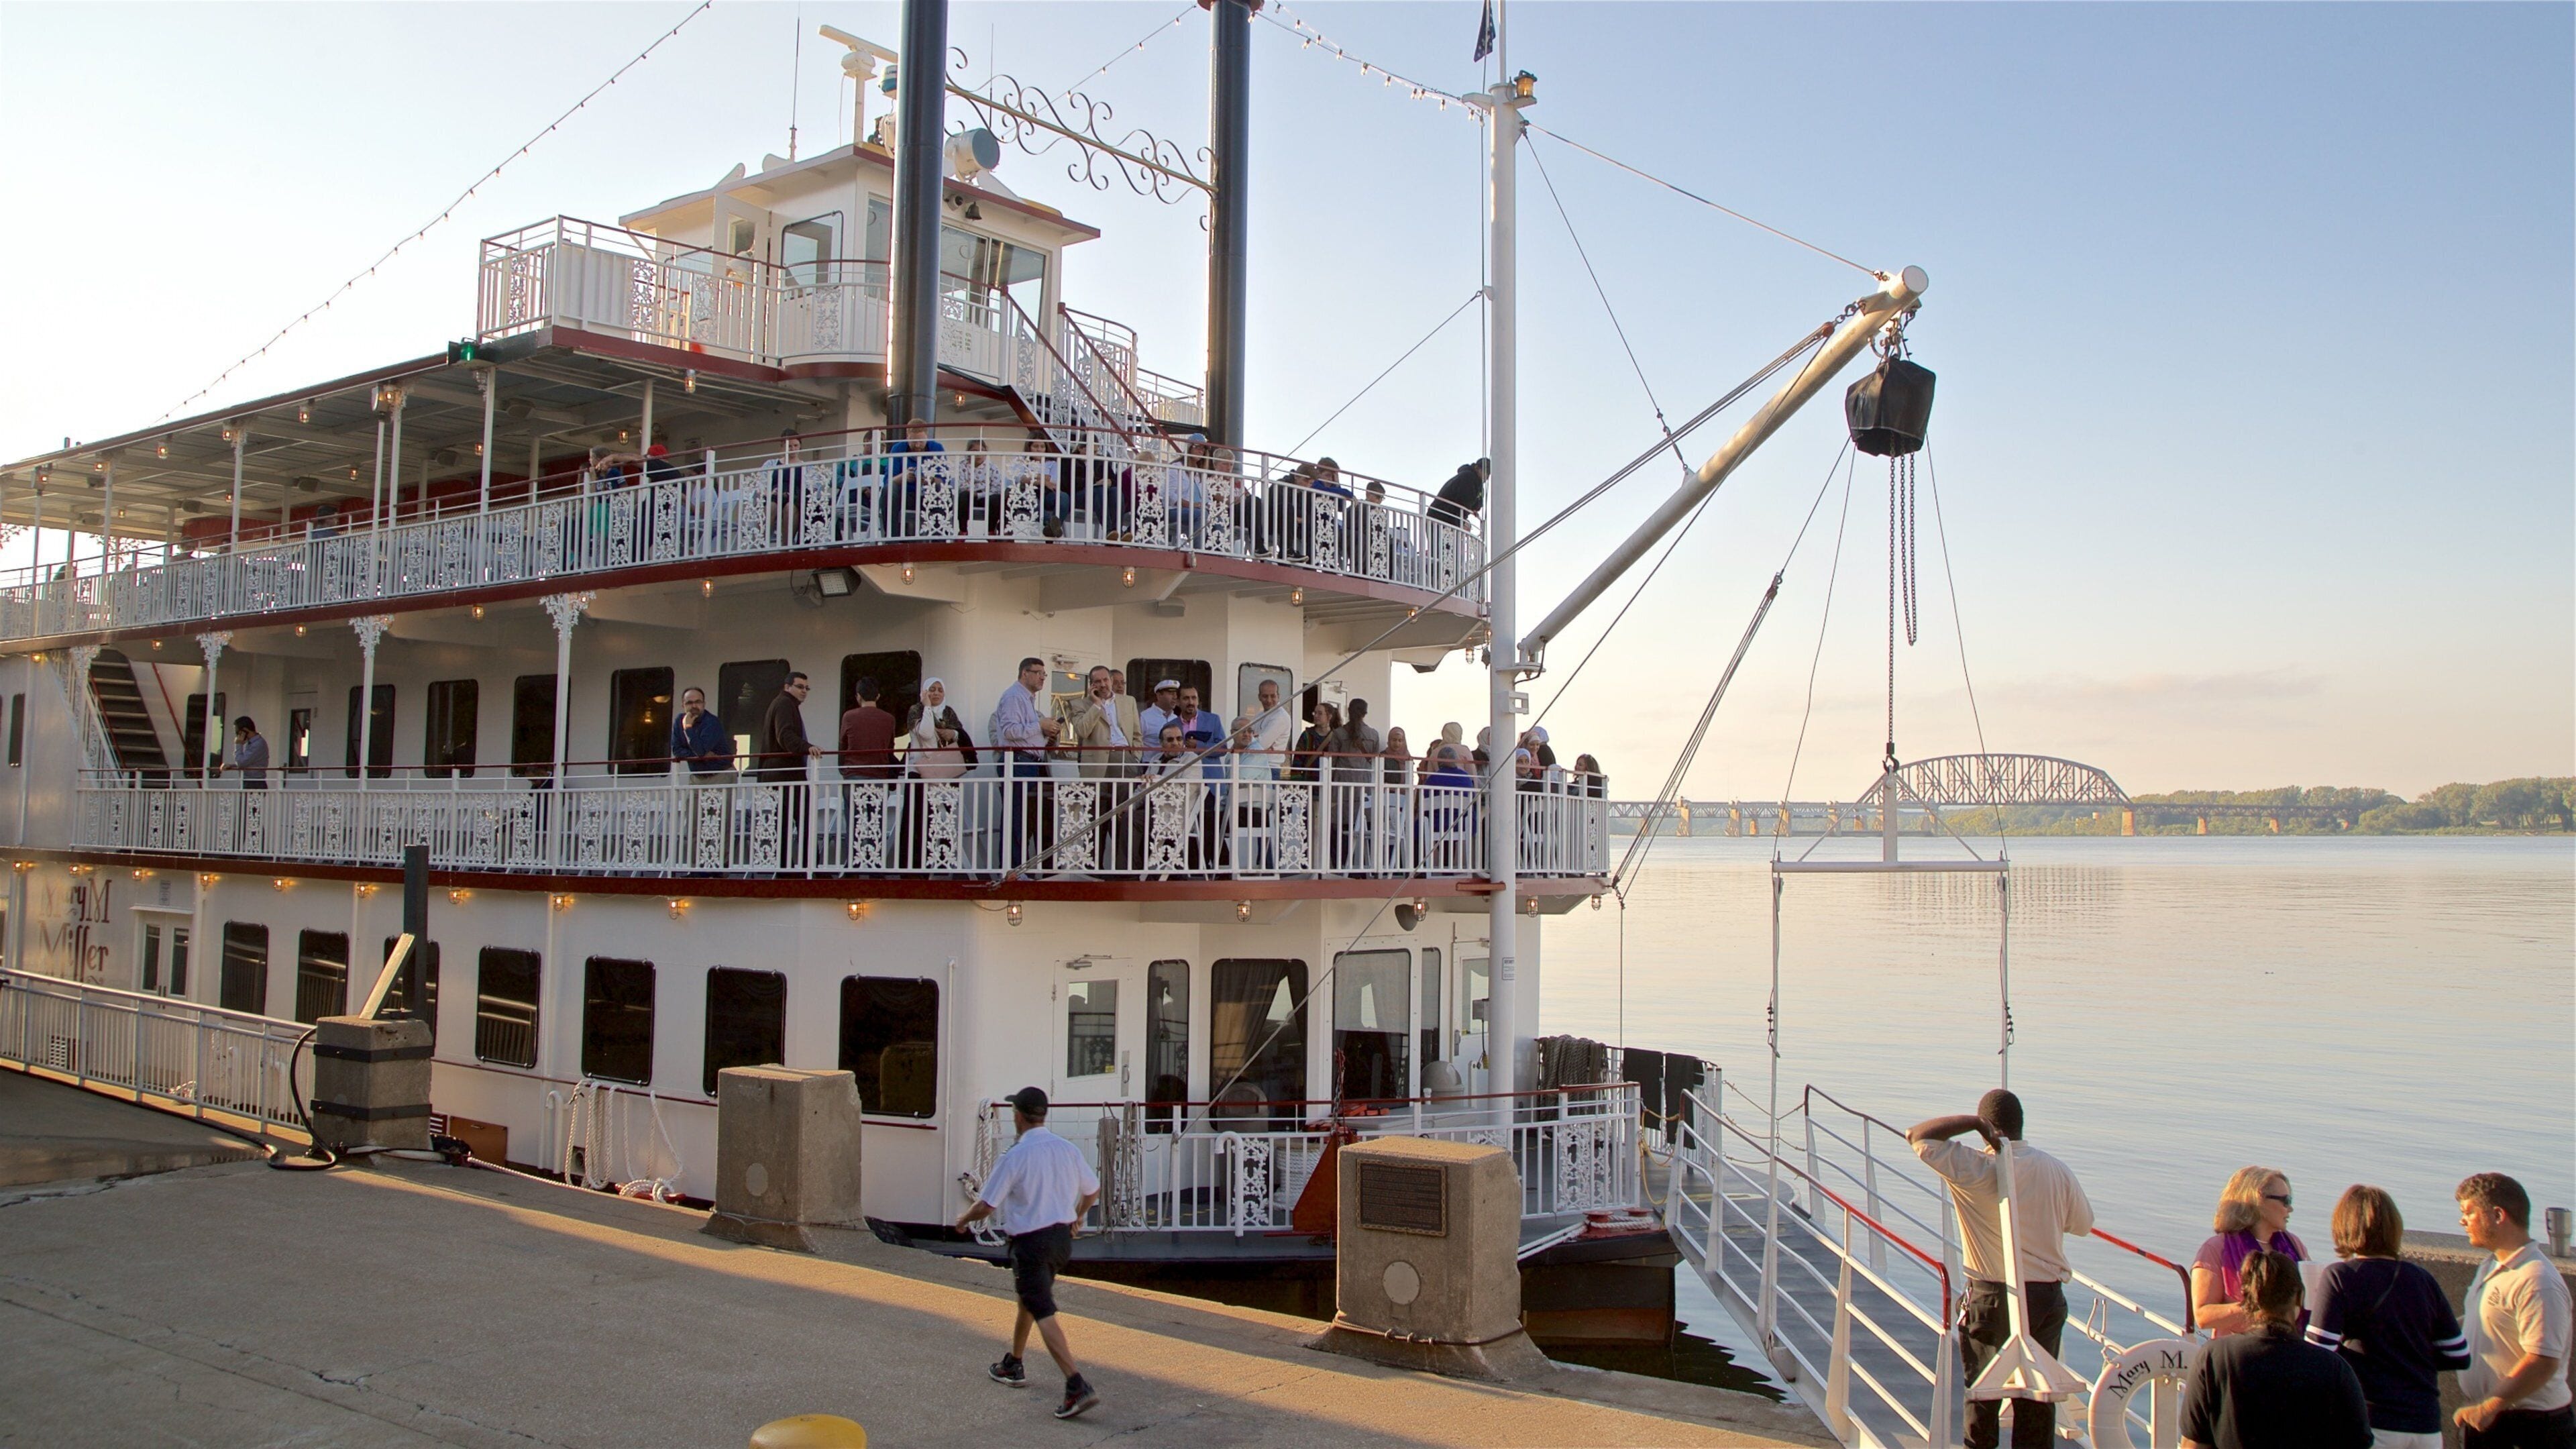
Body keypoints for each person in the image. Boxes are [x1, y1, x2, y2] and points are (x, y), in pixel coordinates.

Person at [1908, 1089, 2095, 1449]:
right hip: (2046, 1297)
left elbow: (1917, 1135)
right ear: (2022, 1125)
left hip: (1992, 1297)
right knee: (2037, 1397)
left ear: (1988, 1131)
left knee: (1983, 1392)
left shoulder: (1975, 1168)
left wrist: (1975, 1124)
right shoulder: (2055, 1169)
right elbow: (2082, 1224)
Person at [955, 1086, 1102, 1421]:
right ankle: (1014, 1364)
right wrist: (1078, 1215)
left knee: (1042, 1309)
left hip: (1031, 1244)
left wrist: (964, 1219)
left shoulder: (1016, 1156)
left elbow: (987, 1204)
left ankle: (1076, 1384)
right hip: (1061, 1241)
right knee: (1030, 1298)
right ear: (1042, 1115)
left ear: (1018, 1116)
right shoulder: (1066, 1149)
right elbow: (1092, 1190)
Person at [2306, 1185, 2473, 1449]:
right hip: (2426, 1425)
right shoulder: (2422, 1278)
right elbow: (2459, 1354)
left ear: (2344, 1227)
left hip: (2373, 1422)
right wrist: (2407, 1356)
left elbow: (2318, 1356)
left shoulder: (2340, 1277)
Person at [2178, 1248, 2373, 1449]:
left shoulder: (2214, 1358)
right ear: (2299, 1298)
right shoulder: (2333, 1368)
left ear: (2246, 1298)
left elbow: (2193, 1444)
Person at [2454, 1172, 2572, 1448]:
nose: (2463, 1221)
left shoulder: (2537, 1280)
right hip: (2491, 1419)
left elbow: (2543, 1360)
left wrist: (2490, 1406)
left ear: (2498, 1215)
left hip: (2531, 1425)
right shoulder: (2491, 1265)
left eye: (2469, 1212)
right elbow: (2483, 1321)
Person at [2194, 1167, 2310, 1336]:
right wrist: (2260, 1308)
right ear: (2258, 1200)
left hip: (2289, 1348)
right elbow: (2203, 1316)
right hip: (2240, 1354)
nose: (2290, 1208)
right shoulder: (2216, 1248)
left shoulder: (2294, 1244)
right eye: (2285, 1201)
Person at [991, 657, 1062, 864]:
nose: (1042, 678)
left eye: (1044, 674)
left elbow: (1027, 734)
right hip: (1019, 762)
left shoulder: (1027, 700)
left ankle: (1021, 868)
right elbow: (1009, 730)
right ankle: (1012, 869)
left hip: (1030, 763)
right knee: (1017, 818)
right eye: (1039, 673)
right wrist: (1040, 726)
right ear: (1025, 673)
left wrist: (1049, 732)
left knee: (1027, 818)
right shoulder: (1014, 697)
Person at [1065, 665, 1140, 779]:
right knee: (1098, 796)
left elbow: (1137, 734)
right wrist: (1097, 704)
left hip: (1124, 757)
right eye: (1098, 682)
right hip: (1096, 761)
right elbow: (1082, 731)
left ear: (1111, 680)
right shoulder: (1079, 704)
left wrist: (1135, 759)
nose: (1103, 685)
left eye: (1106, 680)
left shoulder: (1129, 701)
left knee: (1126, 796)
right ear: (1092, 685)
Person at [756, 672, 821, 782]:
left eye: (807, 688)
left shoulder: (784, 702)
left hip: (779, 773)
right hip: (783, 774)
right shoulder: (784, 703)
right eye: (800, 687)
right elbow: (784, 734)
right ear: (787, 687)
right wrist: (807, 747)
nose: (804, 691)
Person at [837, 677, 900, 780]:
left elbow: (843, 744)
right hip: (880, 774)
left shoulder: (848, 716)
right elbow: (890, 747)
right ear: (878, 696)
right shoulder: (889, 719)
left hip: (854, 773)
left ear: (858, 696)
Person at [669, 687, 732, 780]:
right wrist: (699, 756)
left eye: (698, 702)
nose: (694, 706)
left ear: (704, 704)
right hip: (697, 777)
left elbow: (701, 751)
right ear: (683, 705)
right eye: (689, 703)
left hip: (720, 775)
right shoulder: (679, 721)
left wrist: (688, 727)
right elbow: (676, 750)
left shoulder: (712, 722)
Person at [1430, 457, 1488, 528]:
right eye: (1485, 472)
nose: (1487, 476)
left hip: (1444, 519)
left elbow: (1477, 506)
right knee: (1443, 538)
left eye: (1488, 474)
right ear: (1477, 468)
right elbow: (1465, 501)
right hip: (1441, 518)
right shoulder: (1468, 477)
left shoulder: (1478, 485)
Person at [219, 716, 268, 788]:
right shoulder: (252, 743)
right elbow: (249, 762)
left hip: (255, 783)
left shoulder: (258, 744)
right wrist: (232, 766)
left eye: (238, 732)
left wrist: (238, 745)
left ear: (245, 730)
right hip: (248, 782)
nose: (237, 736)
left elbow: (241, 763)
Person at [1171, 686, 1220, 752]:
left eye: (1194, 698)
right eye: (1186, 698)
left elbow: (1223, 748)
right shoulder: (1171, 725)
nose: (1191, 702)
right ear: (1178, 702)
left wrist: (1198, 745)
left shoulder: (1213, 720)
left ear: (1198, 701)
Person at [1138, 679, 1181, 745]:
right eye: (1171, 693)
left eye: (1176, 694)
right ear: (1159, 695)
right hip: (1151, 756)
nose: (1175, 697)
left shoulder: (1175, 718)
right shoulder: (1144, 717)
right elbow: (1137, 742)